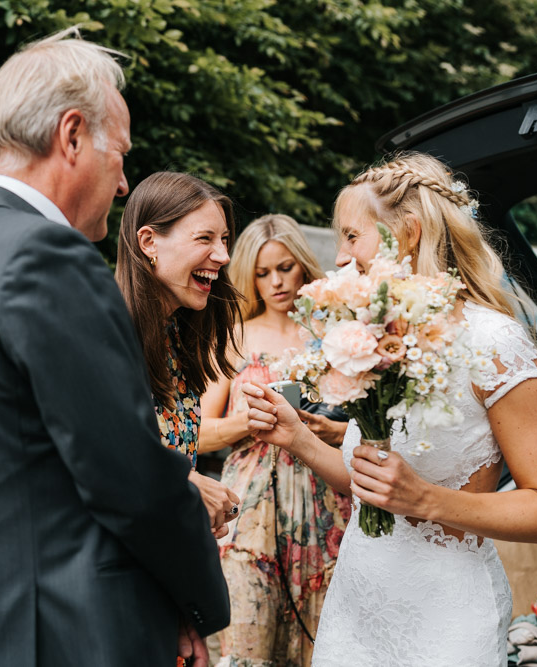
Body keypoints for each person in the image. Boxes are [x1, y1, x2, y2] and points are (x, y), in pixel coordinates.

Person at [0, 31, 229, 667]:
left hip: (0, 628)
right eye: (119, 155)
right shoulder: (45, 256)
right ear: (71, 136)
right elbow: (126, 475)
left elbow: (50, 466)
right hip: (68, 634)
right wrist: (196, 598)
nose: (122, 184)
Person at [241, 151, 537, 666]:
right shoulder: (382, 338)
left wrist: (425, 499)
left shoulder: (494, 342)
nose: (340, 257)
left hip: (446, 618)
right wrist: (297, 438)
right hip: (358, 603)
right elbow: (370, 482)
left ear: (409, 233)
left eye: (352, 236)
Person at [196, 214, 352, 666]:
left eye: (285, 267)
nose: (276, 282)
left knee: (324, 644)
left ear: (303, 265)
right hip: (250, 511)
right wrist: (251, 422)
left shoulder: (334, 334)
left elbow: (370, 429)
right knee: (248, 641)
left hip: (327, 503)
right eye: (262, 273)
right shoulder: (231, 335)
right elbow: (198, 433)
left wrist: (331, 430)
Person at [115, 170, 242, 540]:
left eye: (224, 239)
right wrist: (187, 485)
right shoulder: (108, 332)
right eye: (204, 238)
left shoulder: (177, 334)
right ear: (149, 242)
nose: (223, 255)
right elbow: (89, 454)